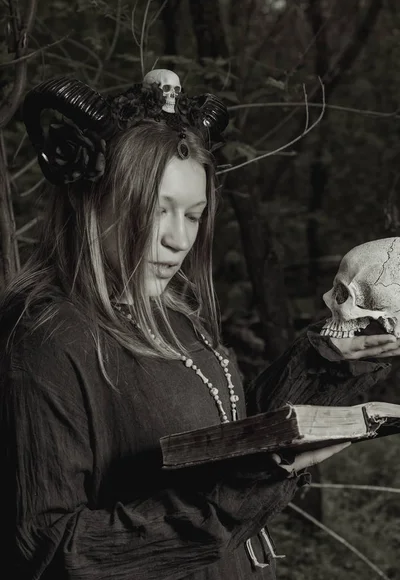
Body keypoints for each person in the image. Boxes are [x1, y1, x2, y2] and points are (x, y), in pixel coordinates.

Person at [1, 71, 399, 580]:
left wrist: (327, 365)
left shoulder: (175, 313)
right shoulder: (45, 340)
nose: (177, 240)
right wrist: (242, 491)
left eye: (193, 215)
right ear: (90, 201)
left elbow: (224, 439)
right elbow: (49, 552)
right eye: (155, 210)